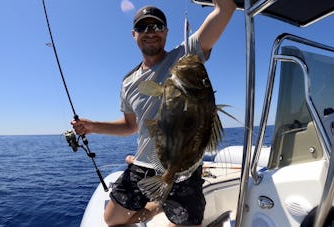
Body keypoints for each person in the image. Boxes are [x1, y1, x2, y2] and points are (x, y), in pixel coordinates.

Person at [72, 1, 236, 226]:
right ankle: (157, 204)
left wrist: (223, 7)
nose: (150, 32)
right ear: (133, 34)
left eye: (157, 27)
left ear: (166, 32)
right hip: (144, 161)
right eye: (143, 27)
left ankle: (163, 203)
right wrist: (94, 126)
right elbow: (131, 126)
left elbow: (224, 11)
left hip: (184, 166)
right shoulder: (128, 82)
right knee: (111, 219)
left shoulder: (185, 56)